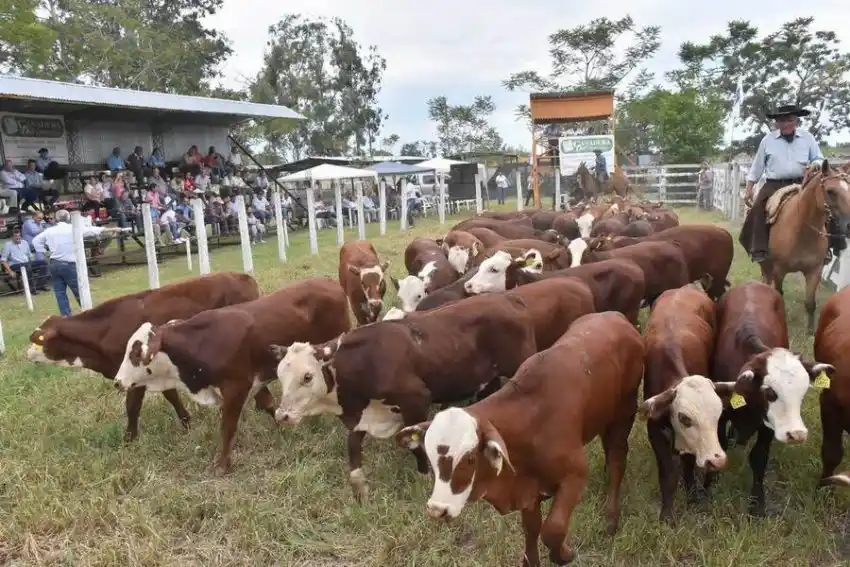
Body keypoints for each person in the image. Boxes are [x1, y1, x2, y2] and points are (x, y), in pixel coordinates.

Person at [740, 103, 823, 264]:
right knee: (757, 209)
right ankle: (759, 248)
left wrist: (815, 164)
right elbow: (758, 165)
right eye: (781, 120)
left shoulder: (807, 138)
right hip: (774, 184)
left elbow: (819, 157)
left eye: (788, 120)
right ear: (776, 123)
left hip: (803, 181)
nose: (785, 123)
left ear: (796, 121)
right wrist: (750, 187)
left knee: (824, 206)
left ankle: (830, 246)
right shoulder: (768, 140)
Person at [31, 209, 121, 316]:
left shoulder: (50, 231)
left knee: (60, 293)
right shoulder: (73, 228)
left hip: (54, 263)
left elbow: (35, 241)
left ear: (56, 219)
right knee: (79, 291)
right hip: (69, 264)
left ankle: (66, 316)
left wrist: (45, 253)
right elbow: (92, 230)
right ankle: (88, 314)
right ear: (68, 218)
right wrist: (112, 228)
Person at [2, 226, 48, 292]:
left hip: (27, 263)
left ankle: (40, 285)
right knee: (27, 266)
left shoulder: (25, 243)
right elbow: (3, 260)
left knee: (44, 263)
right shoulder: (7, 245)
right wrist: (9, 271)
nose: (18, 237)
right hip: (15, 265)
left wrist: (34, 262)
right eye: (16, 236)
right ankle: (32, 289)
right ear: (12, 237)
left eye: (19, 236)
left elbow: (30, 256)